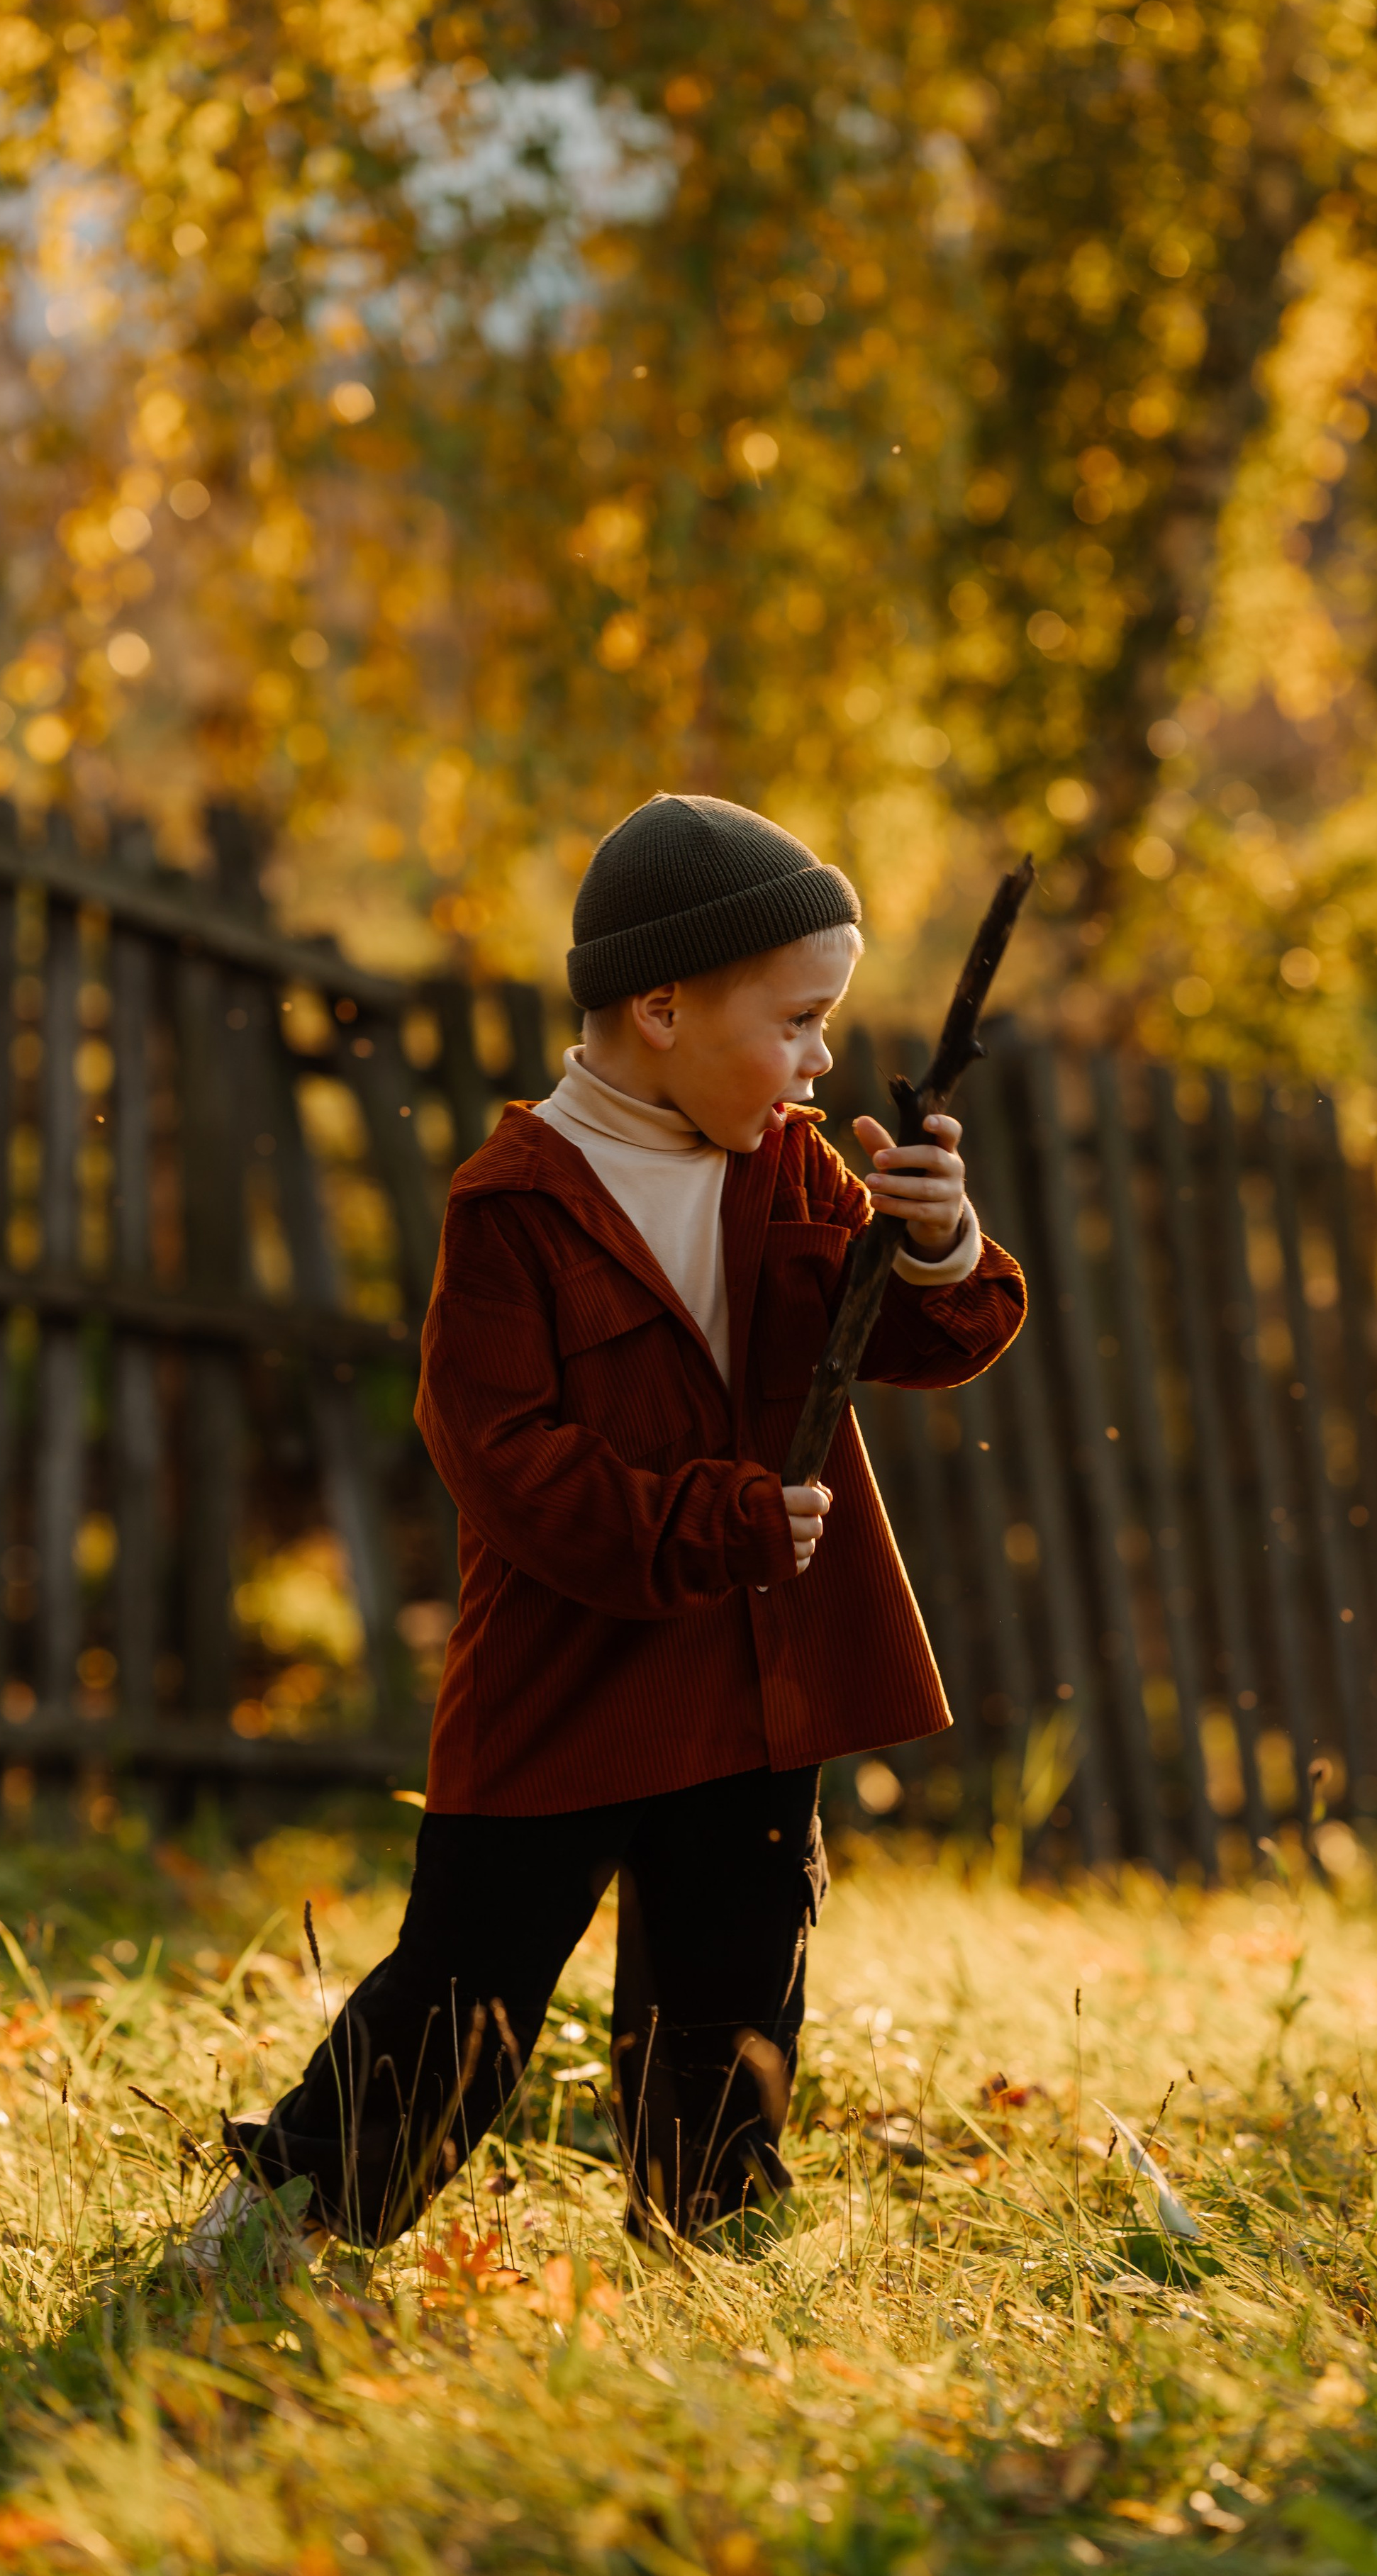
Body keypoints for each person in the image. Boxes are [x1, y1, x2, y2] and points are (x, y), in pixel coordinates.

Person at [190, 792, 1025, 2267]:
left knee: (729, 1986)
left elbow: (899, 1335)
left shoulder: (787, 1161)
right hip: (567, 1681)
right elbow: (506, 1463)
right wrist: (723, 1518)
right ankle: (291, 2228)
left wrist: (933, 1239)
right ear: (658, 1008)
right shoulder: (514, 1207)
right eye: (797, 1020)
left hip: (749, 1680)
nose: (822, 1058)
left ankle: (707, 2247)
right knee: (469, 1986)